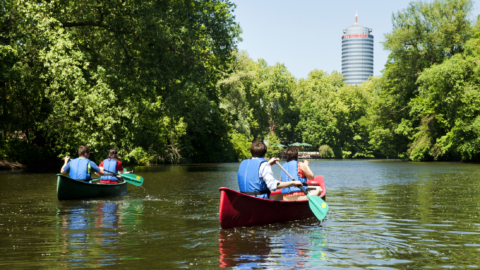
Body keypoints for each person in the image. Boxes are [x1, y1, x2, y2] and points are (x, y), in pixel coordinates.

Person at [238, 141, 302, 199]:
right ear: (265, 154)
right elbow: (273, 185)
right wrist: (293, 183)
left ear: (251, 152)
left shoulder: (243, 163)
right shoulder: (264, 165)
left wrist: (268, 164)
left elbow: (254, 172)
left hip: (244, 200)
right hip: (259, 201)